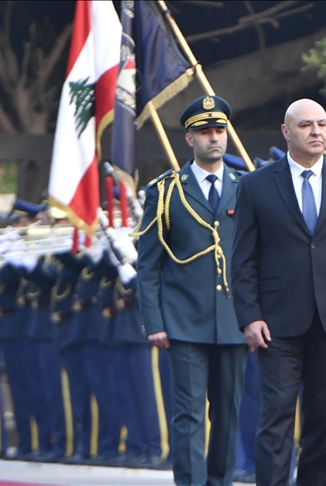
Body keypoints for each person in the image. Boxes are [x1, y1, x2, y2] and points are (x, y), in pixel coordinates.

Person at [231, 99, 326, 486]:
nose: (316, 131)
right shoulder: (255, 185)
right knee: (276, 418)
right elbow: (243, 260)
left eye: (322, 124)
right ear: (286, 132)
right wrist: (249, 316)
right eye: (305, 125)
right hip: (277, 322)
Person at [136, 95, 247, 486]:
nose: (214, 138)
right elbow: (149, 264)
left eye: (219, 130)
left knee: (228, 414)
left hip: (234, 320)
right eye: (204, 132)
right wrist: (154, 322)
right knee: (188, 415)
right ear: (189, 139)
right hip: (183, 322)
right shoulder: (166, 191)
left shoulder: (246, 187)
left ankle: (220, 481)